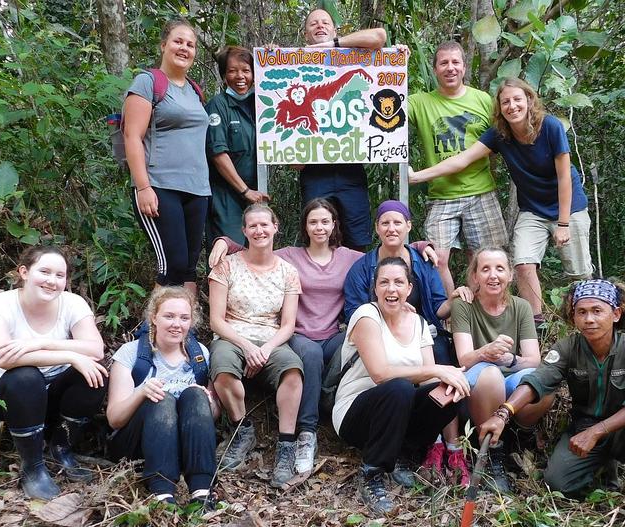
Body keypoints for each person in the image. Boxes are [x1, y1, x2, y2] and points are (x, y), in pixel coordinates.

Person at [208, 198, 438, 475]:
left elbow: (387, 248)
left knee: (357, 345)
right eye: (313, 221)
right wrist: (225, 242)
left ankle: (347, 406)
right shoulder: (290, 256)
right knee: (311, 355)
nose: (319, 227)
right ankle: (307, 432)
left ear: (333, 225)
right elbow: (258, 246)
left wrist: (421, 247)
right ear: (305, 226)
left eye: (325, 221)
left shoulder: (349, 257)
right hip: (299, 334)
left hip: (333, 335)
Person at [479, 279, 625, 527]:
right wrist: (503, 413)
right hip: (585, 427)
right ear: (573, 316)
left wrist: (598, 432)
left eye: (597, 311)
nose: (589, 319)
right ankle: (604, 469)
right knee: (557, 483)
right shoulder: (569, 347)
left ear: (616, 314)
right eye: (581, 312)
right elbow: (538, 381)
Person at [410, 77, 593, 329]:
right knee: (522, 264)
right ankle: (535, 325)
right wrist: (416, 176)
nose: (512, 106)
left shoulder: (550, 127)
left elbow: (565, 178)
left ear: (529, 101)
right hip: (533, 211)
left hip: (568, 207)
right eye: (505, 102)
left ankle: (589, 320)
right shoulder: (500, 135)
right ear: (499, 107)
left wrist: (562, 224)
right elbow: (462, 160)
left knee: (579, 272)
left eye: (517, 99)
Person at [334, 257, 470, 515]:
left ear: (409, 288)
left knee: (448, 393)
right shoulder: (367, 315)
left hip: (399, 413)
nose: (391, 289)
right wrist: (437, 369)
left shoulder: (418, 323)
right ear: (375, 289)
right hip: (356, 413)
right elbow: (380, 375)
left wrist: (449, 382)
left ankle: (404, 454)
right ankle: (372, 472)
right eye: (383, 282)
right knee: (399, 387)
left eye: (398, 282)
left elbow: (430, 380)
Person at [0, 246, 107, 500]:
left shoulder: (72, 303)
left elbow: (95, 348)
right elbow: (0, 356)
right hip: (2, 397)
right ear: (24, 272)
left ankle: (60, 446)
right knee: (26, 376)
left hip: (48, 396)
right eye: (44, 272)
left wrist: (39, 344)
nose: (52, 281)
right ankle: (33, 467)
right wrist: (69, 355)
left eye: (60, 275)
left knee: (94, 374)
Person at [429, 247, 550, 491]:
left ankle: (519, 436)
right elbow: (464, 358)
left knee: (542, 383)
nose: (493, 275)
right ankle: (492, 454)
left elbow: (533, 360)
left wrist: (509, 359)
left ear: (510, 275)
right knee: (491, 375)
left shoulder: (521, 307)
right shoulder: (465, 305)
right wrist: (487, 352)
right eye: (485, 269)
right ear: (475, 277)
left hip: (510, 379)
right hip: (478, 378)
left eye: (499, 269)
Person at [208, 204, 304, 488]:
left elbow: (288, 324)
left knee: (292, 372)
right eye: (253, 226)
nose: (259, 230)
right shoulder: (226, 266)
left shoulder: (288, 271)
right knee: (224, 369)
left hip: (271, 338)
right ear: (244, 231)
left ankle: (286, 445)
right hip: (232, 335)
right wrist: (246, 346)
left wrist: (266, 347)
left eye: (265, 225)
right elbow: (216, 320)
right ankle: (241, 428)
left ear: (276, 227)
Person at [407, 41, 508, 296]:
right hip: (442, 195)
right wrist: (396, 63)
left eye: (455, 62)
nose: (450, 68)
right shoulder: (420, 102)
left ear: (464, 67)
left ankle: (480, 310)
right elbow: (386, 110)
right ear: (435, 69)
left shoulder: (483, 100)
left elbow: (505, 134)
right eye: (443, 63)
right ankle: (455, 310)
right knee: (436, 257)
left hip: (480, 191)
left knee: (488, 258)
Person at [106, 287, 218, 509]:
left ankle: (202, 491)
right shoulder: (131, 354)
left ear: (191, 322)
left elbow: (214, 415)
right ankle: (162, 493)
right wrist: (141, 393)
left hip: (181, 446)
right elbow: (114, 419)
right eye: (169, 316)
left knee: (196, 394)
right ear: (154, 318)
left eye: (184, 318)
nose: (177, 324)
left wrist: (208, 401)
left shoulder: (199, 356)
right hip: (137, 445)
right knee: (161, 397)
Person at [123, 19, 211, 294]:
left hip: (197, 189)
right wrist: (143, 187)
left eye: (190, 44)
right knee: (170, 266)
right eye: (178, 41)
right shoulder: (148, 82)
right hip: (160, 186)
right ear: (163, 45)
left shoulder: (195, 90)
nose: (184, 48)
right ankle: (153, 331)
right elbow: (132, 136)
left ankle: (187, 330)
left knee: (188, 267)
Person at [291, 8, 388, 250]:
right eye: (313, 24)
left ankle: (357, 287)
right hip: (314, 171)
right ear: (305, 34)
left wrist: (332, 45)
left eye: (325, 22)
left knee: (357, 240)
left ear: (335, 30)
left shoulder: (351, 54)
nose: (320, 26)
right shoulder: (294, 63)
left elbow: (379, 36)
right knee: (317, 235)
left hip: (351, 169)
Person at [344, 200, 467, 366]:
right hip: (379, 333)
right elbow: (353, 312)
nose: (391, 229)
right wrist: (387, 312)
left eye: (397, 223)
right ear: (377, 228)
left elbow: (437, 308)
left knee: (441, 353)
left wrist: (453, 300)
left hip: (423, 333)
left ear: (408, 226)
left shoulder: (424, 262)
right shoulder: (361, 268)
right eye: (385, 223)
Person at [205, 46, 270, 245]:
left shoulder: (261, 103)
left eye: (246, 70)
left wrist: (272, 56)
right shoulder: (218, 105)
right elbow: (218, 154)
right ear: (224, 76)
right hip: (227, 196)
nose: (240, 76)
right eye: (232, 71)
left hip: (258, 193)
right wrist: (244, 191)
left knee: (258, 249)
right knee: (230, 249)